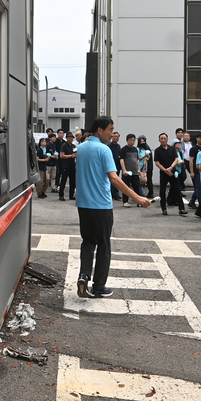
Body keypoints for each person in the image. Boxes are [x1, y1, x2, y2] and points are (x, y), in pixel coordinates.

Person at [74, 117, 152, 299]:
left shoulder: (82, 148)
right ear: (99, 130)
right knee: (103, 245)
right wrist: (138, 197)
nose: (112, 133)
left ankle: (83, 275)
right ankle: (99, 286)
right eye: (110, 129)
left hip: (83, 204)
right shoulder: (104, 149)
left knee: (87, 242)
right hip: (101, 205)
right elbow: (115, 178)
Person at [153, 133, 186, 216]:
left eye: (165, 138)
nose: (163, 140)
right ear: (159, 140)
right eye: (161, 138)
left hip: (173, 171)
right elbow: (157, 163)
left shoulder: (172, 148)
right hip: (164, 173)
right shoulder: (157, 150)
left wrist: (171, 167)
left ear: (167, 139)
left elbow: (176, 159)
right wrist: (165, 170)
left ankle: (181, 208)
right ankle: (163, 208)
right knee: (162, 191)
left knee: (177, 190)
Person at [119, 134, 142, 206]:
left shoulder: (135, 149)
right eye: (130, 140)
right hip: (127, 172)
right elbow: (122, 160)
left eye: (133, 140)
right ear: (127, 140)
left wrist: (138, 169)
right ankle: (125, 201)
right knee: (126, 187)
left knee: (136, 187)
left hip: (135, 171)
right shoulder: (123, 149)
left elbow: (137, 160)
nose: (132, 142)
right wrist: (124, 170)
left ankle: (139, 201)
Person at [55, 132, 77, 200]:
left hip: (72, 165)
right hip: (65, 165)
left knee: (72, 181)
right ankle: (61, 195)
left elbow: (75, 153)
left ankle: (71, 195)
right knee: (63, 181)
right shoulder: (64, 145)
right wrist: (71, 156)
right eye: (70, 137)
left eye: (72, 137)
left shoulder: (73, 146)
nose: (71, 138)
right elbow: (61, 155)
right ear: (67, 138)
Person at [35, 135, 52, 199]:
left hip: (45, 166)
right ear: (40, 143)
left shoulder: (46, 149)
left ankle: (43, 191)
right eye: (43, 142)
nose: (44, 143)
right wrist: (44, 160)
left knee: (47, 179)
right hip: (40, 167)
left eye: (45, 141)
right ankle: (39, 193)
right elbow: (37, 158)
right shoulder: (39, 150)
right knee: (40, 181)